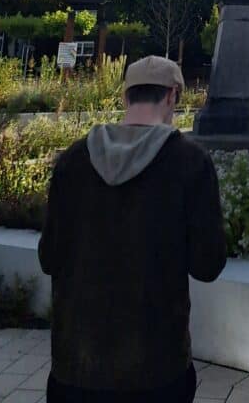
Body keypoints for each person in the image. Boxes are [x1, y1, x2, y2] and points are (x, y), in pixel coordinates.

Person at [39, 55, 226, 403]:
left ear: (125, 97)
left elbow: (49, 258)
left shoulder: (72, 161)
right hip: (156, 369)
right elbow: (208, 265)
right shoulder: (191, 163)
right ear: (172, 96)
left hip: (76, 367)